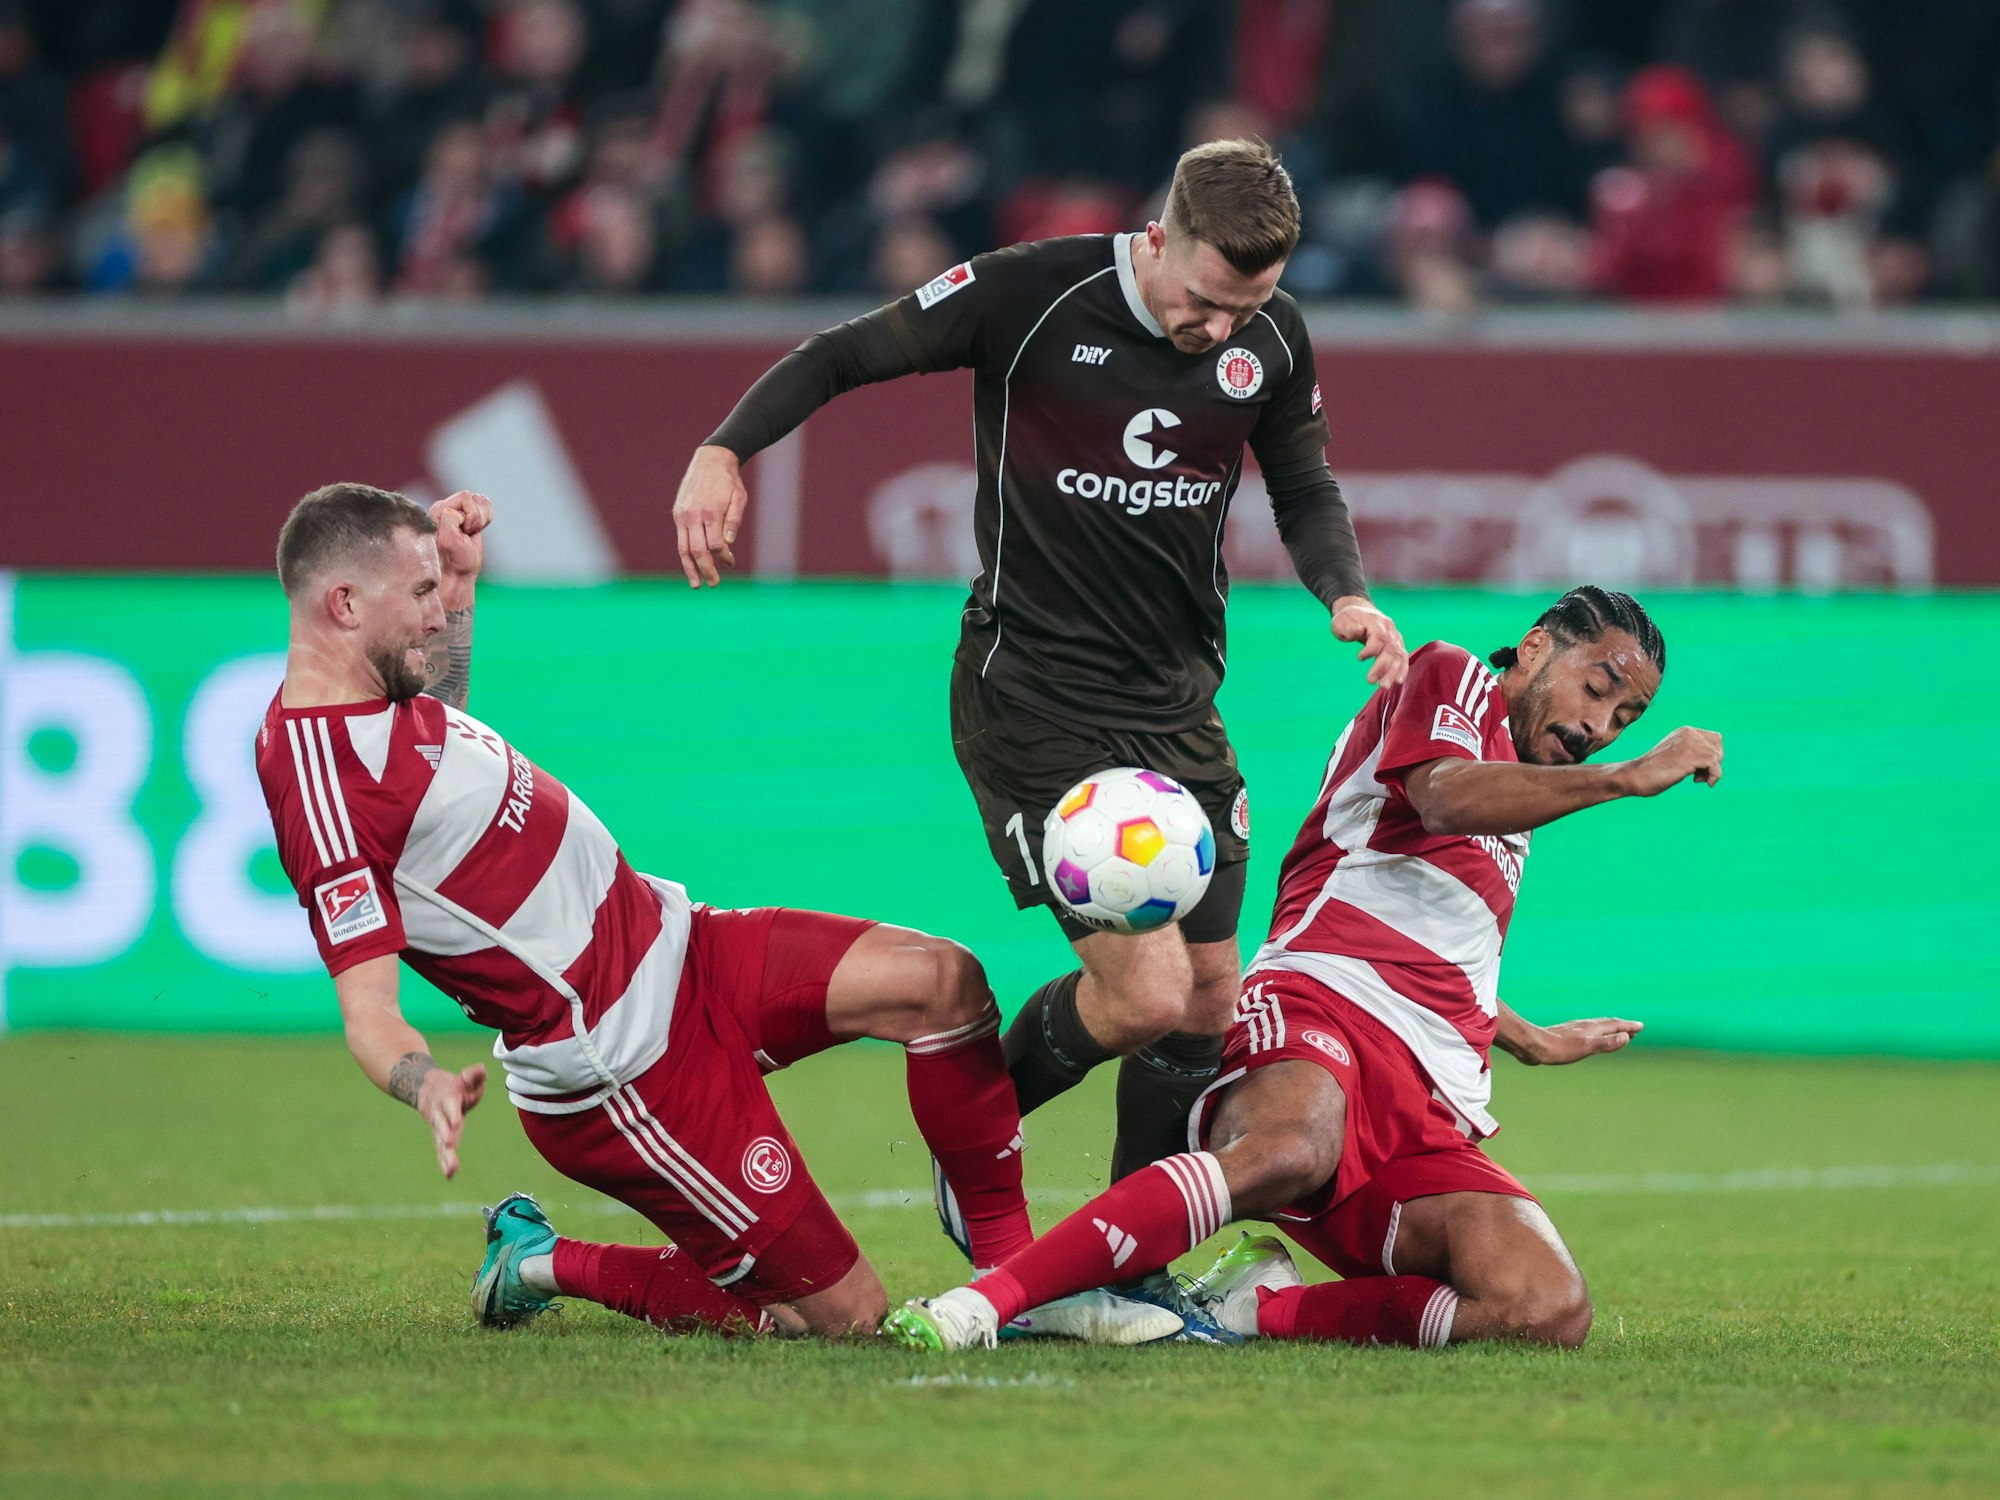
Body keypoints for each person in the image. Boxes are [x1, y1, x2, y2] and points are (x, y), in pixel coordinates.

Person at [671, 139, 1410, 1240]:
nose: (1220, 330)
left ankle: (1126, 1244)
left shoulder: (1270, 338)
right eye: (1206, 301)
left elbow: (1301, 484)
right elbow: (844, 353)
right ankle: (978, 1131)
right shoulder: (1027, 292)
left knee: (1208, 998)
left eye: (1245, 309)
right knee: (1146, 995)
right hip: (1032, 699)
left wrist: (1344, 595)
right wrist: (722, 450)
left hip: (1174, 707)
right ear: (1161, 239)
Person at [254, 483, 1061, 1341]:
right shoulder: (322, 792)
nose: (434, 617)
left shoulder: (373, 701)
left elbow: (434, 728)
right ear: (343, 604)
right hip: (626, 1064)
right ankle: (537, 1259)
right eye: (418, 597)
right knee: (842, 1319)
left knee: (945, 983)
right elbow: (368, 1013)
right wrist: (426, 1085)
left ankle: (1014, 1281)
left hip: (682, 945)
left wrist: (455, 582)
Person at [885, 587, 1725, 1351]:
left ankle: (1249, 1311)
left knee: (1546, 1308)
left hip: (1429, 1089)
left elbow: (1437, 958)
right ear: (1537, 647)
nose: (1603, 724)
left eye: (1628, 715)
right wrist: (1622, 778)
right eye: (1599, 686)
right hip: (1317, 1005)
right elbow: (1440, 796)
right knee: (1292, 1147)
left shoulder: (1522, 802)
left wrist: (1528, 1039)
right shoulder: (1454, 679)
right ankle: (993, 1302)